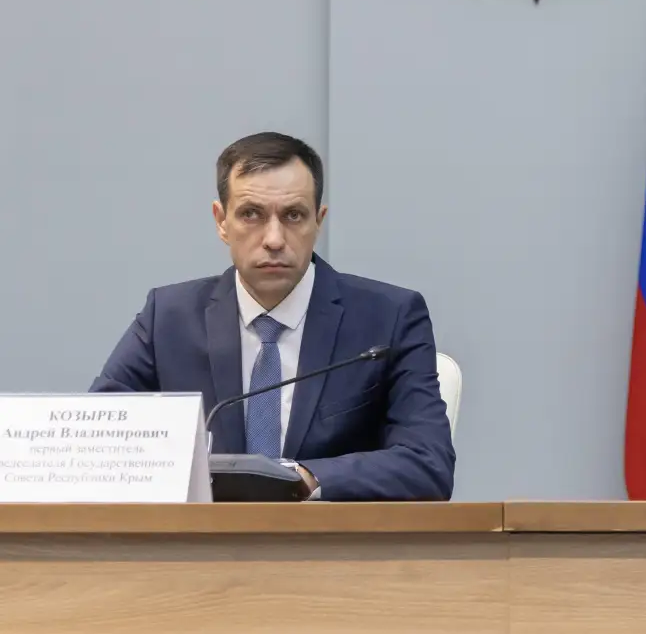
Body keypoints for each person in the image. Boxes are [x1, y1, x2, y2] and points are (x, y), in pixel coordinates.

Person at [91, 133, 455, 501]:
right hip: (203, 536)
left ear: (318, 221)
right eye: (251, 214)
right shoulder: (168, 318)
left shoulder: (389, 319)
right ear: (221, 221)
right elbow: (96, 445)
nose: (274, 239)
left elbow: (428, 464)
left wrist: (301, 479)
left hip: (329, 535)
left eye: (293, 215)